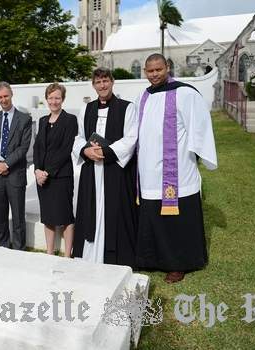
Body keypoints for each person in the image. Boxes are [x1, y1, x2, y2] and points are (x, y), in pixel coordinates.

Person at [135, 53, 217, 283]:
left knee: (175, 220)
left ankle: (178, 263)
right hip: (149, 171)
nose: (154, 74)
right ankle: (152, 259)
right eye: (150, 71)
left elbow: (199, 127)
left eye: (158, 69)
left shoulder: (185, 93)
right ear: (145, 71)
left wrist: (199, 156)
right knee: (153, 217)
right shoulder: (143, 96)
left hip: (177, 170)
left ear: (167, 68)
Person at [72, 68, 139, 267]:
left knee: (116, 211)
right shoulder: (86, 109)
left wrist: (106, 152)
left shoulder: (127, 108)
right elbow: (78, 137)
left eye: (105, 81)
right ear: (93, 85)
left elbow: (131, 138)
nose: (102, 85)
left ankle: (116, 258)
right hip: (92, 170)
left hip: (114, 170)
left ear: (112, 82)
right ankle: (88, 256)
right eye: (98, 82)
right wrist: (85, 151)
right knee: (90, 210)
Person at [0, 82, 32, 250]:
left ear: (11, 94)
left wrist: (6, 164)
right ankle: (3, 245)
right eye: (0, 97)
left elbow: (23, 147)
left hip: (14, 174)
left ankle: (19, 248)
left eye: (6, 96)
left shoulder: (24, 119)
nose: (3, 100)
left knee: (18, 215)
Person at [33, 83, 78, 257]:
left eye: (57, 98)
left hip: (61, 176)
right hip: (42, 178)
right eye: (51, 98)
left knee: (65, 216)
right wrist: (37, 170)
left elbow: (66, 149)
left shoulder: (70, 120)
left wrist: (47, 172)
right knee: (48, 217)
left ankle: (67, 255)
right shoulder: (43, 121)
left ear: (63, 99)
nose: (54, 101)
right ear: (47, 99)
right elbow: (37, 148)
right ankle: (50, 253)